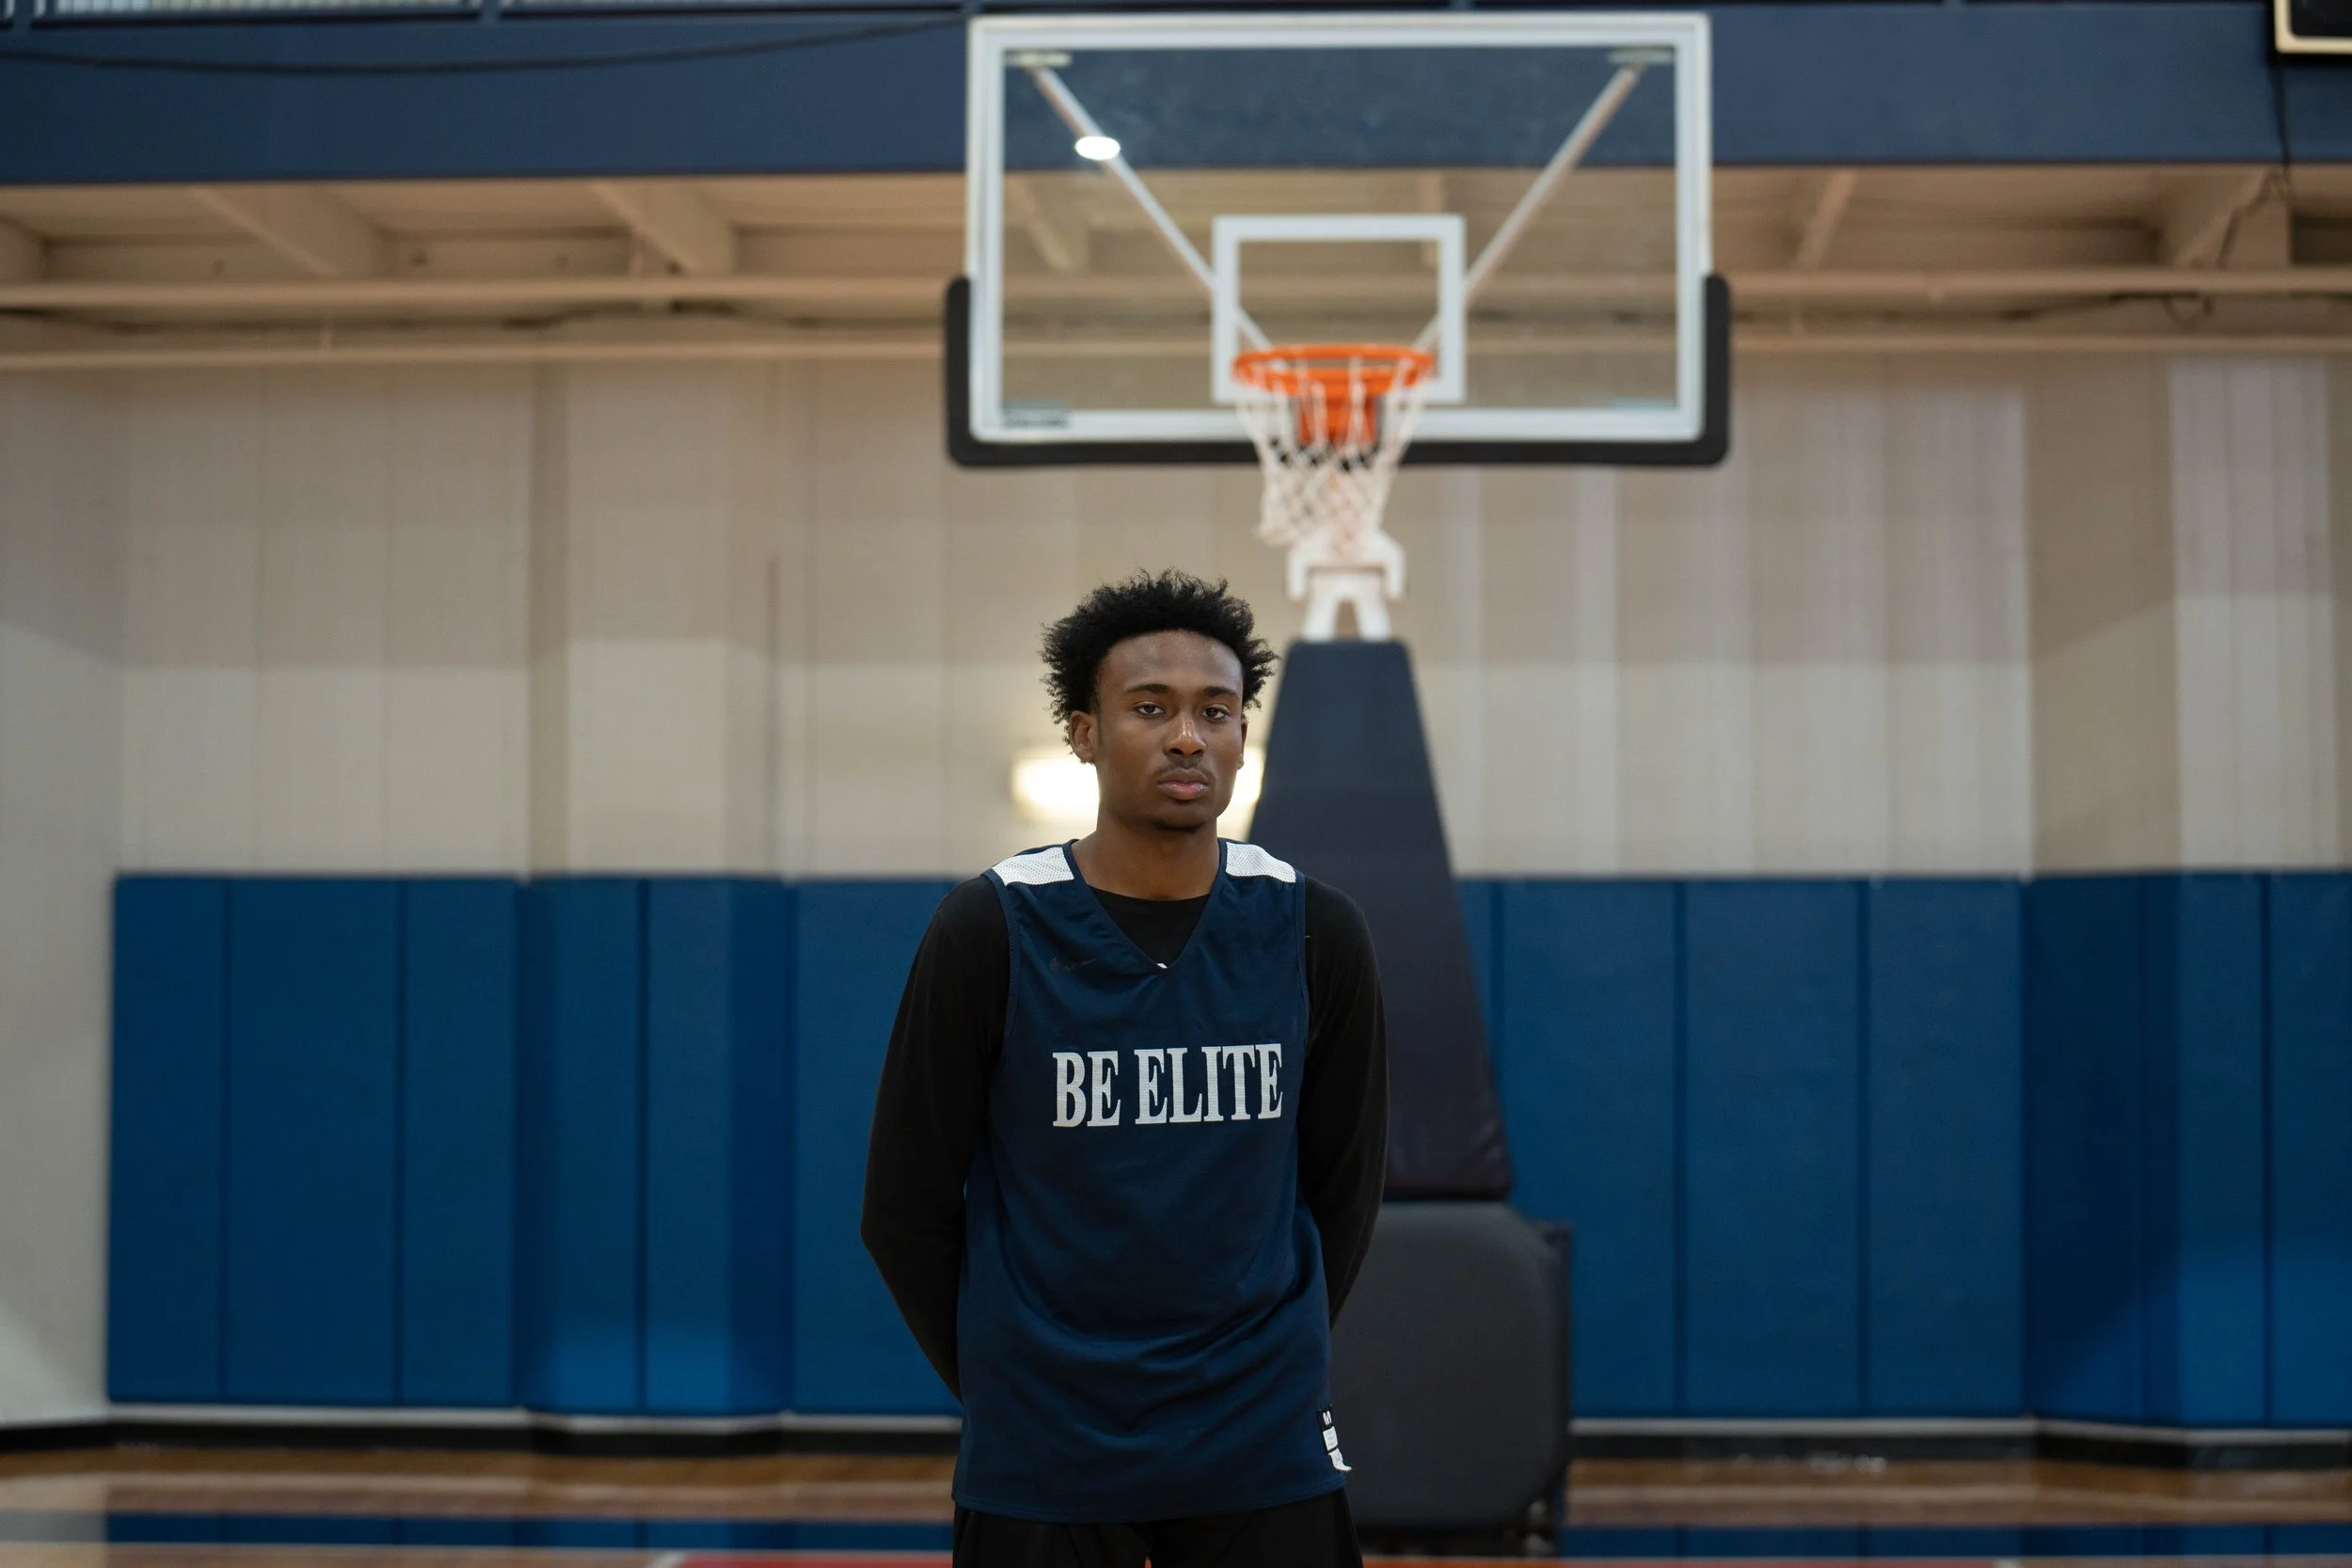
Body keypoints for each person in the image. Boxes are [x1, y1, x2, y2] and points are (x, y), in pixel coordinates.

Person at [861, 570, 1391, 1568]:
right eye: (1150, 708)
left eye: (1215, 710)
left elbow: (1343, 1188)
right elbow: (903, 1204)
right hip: (1048, 1434)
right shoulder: (992, 925)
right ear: (1083, 731)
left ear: (1242, 733)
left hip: (1258, 1431)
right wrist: (1006, 1375)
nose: (1187, 736)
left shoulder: (1315, 928)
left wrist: (1278, 1357)